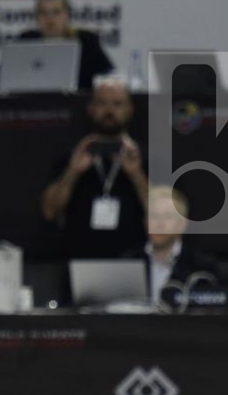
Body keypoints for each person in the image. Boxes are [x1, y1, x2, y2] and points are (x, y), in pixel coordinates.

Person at [41, 79, 149, 260]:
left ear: (130, 109)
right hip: (80, 259)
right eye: (102, 103)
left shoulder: (145, 157)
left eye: (117, 104)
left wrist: (136, 175)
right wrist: (73, 172)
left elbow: (167, 218)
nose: (109, 111)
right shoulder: (71, 156)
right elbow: (49, 211)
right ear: (90, 109)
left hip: (134, 259)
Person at [7, 0, 115, 90]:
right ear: (37, 18)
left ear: (67, 15)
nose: (50, 19)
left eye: (56, 12)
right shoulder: (25, 41)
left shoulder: (86, 41)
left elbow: (109, 77)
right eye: (43, 13)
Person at [144, 184, 223, 307]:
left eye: (167, 217)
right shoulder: (128, 261)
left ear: (182, 223)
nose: (159, 224)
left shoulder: (201, 267)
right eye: (154, 216)